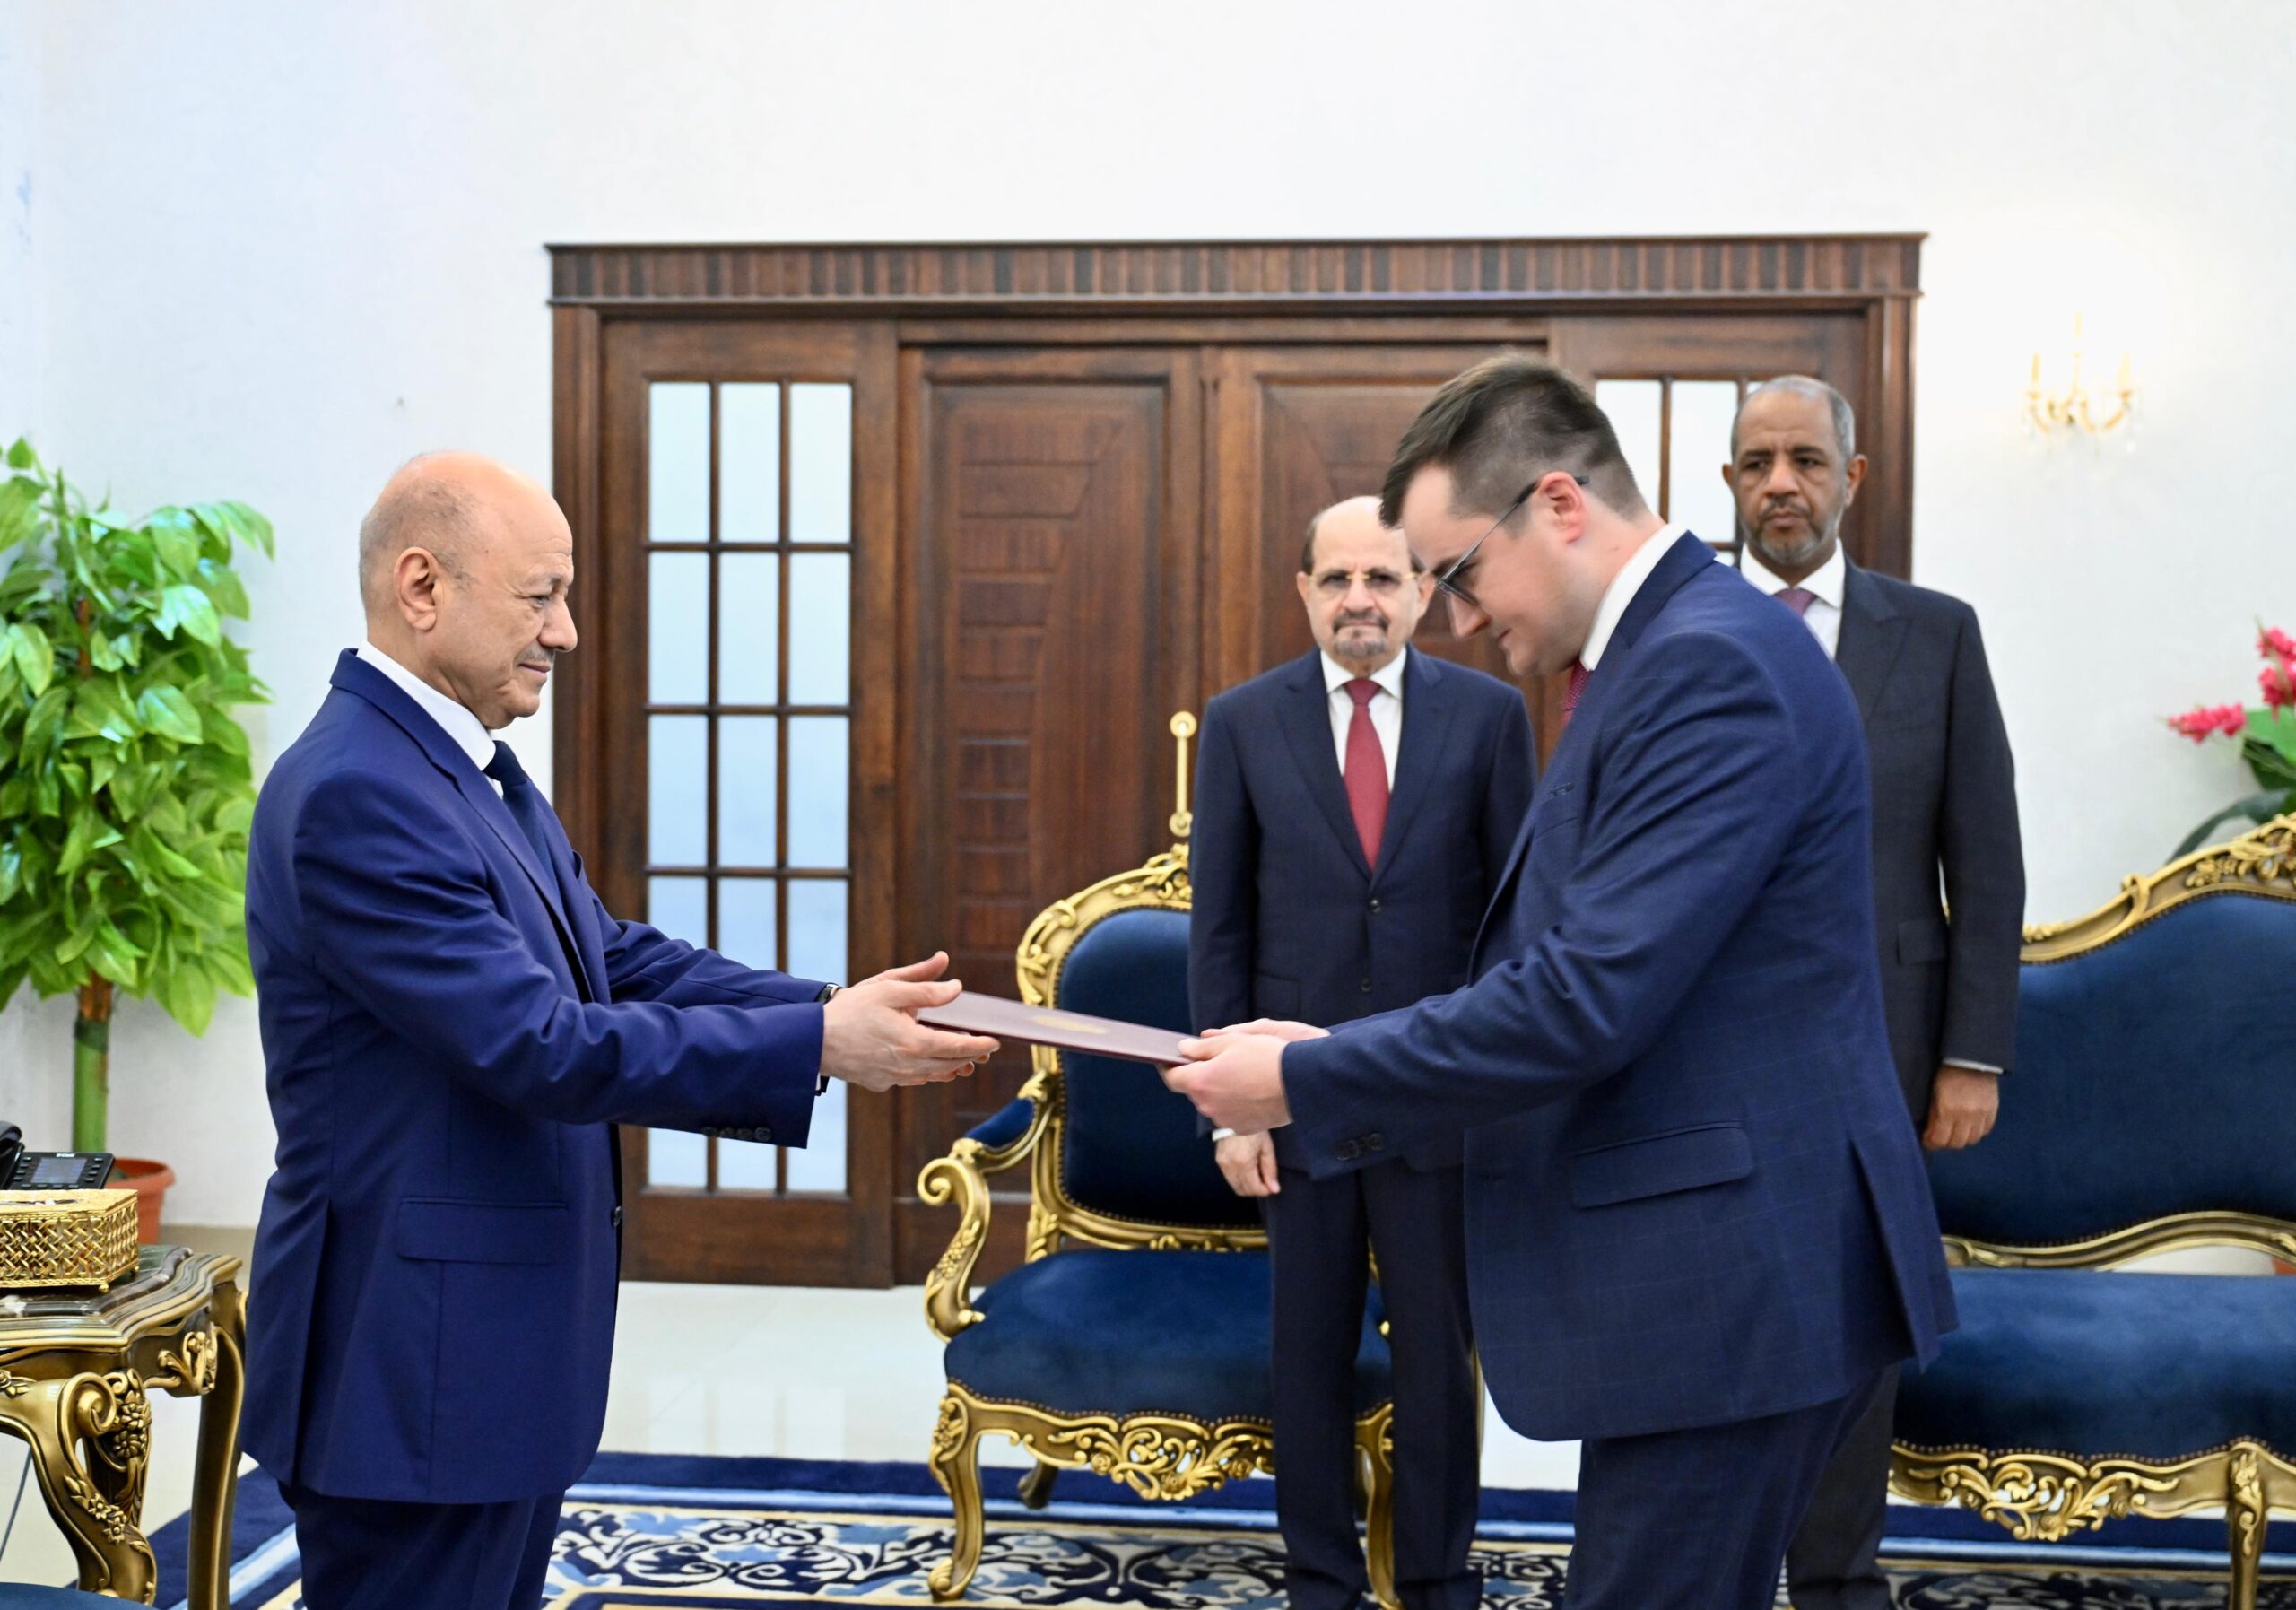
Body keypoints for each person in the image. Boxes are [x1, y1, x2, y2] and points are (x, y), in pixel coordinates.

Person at [1166, 357, 1956, 1610]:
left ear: (1558, 506)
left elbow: (1583, 996)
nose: (1455, 619)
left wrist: (1305, 1075)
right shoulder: (1670, 649)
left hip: (1735, 1275)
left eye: (1456, 572)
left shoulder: (1706, 665)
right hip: (1720, 1267)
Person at [241, 453, 997, 1610]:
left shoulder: (460, 767)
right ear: (422, 586)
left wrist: (824, 1007)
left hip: (479, 1350)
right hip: (410, 1357)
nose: (568, 632)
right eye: (539, 596)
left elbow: (612, 956)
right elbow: (538, 1043)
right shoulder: (360, 789)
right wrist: (819, 1046)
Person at [1189, 495, 1533, 1610]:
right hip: (1291, 1100)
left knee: (1439, 1356)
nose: (1358, 600)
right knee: (1308, 1351)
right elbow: (1219, 931)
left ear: (1423, 590)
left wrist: (1494, 1091)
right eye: (1336, 578)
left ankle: (1439, 1579)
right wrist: (1228, 1112)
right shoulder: (1242, 722)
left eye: (1381, 578)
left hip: (1437, 1096)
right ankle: (1319, 1580)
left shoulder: (1490, 718)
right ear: (1303, 591)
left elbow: (1513, 925)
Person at [1723, 377, 2022, 1610]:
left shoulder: (1937, 634)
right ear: (1730, 483)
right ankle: (1712, 1569)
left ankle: (1837, 1580)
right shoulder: (1674, 631)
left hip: (1885, 1047)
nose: (1779, 483)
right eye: (1756, 463)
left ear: (1852, 476)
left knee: (1857, 1317)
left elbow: (1985, 861)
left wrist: (1972, 1055)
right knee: (1719, 1312)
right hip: (1711, 1048)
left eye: (1804, 458)